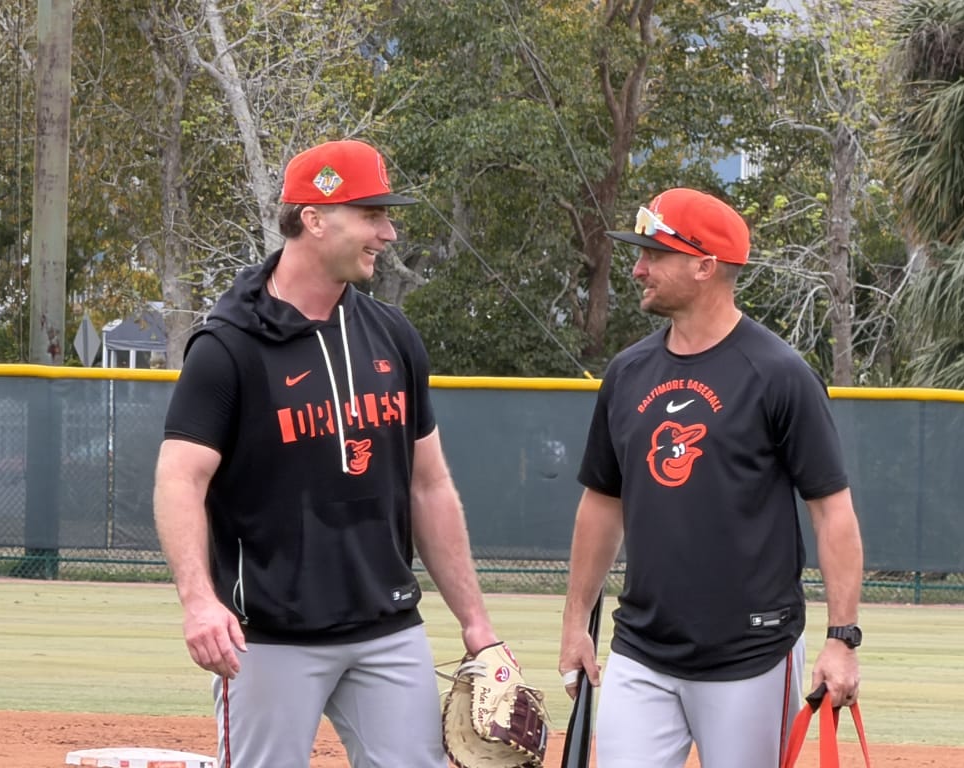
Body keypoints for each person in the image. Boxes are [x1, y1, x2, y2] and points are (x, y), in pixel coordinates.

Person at [154, 139, 499, 768]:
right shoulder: (228, 345)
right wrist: (199, 600)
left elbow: (430, 486)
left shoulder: (392, 336)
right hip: (268, 634)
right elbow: (180, 479)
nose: (387, 233)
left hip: (386, 624)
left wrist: (475, 624)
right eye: (372, 215)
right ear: (315, 218)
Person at [557, 188, 865, 767]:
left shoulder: (779, 374)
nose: (638, 267)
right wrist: (576, 624)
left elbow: (832, 511)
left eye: (655, 253)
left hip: (751, 653)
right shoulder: (628, 372)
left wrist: (841, 638)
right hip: (641, 649)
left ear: (705, 265)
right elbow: (601, 505)